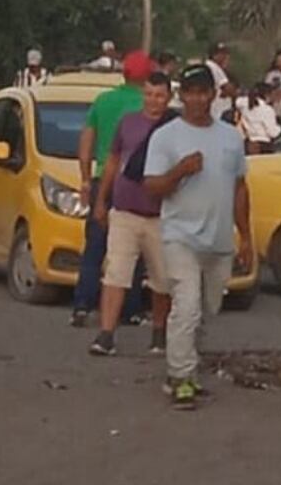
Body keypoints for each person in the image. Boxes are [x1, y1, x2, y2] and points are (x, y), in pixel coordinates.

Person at [143, 63, 252, 410]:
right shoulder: (166, 136)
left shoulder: (230, 137)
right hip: (180, 236)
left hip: (218, 241)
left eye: (203, 92)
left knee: (207, 309)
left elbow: (239, 188)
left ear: (213, 94)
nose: (197, 99)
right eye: (190, 92)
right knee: (186, 308)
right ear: (182, 95)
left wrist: (246, 237)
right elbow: (152, 185)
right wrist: (180, 170)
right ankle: (181, 378)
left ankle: (185, 365)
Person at [89, 72, 175, 357]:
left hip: (161, 216)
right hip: (124, 211)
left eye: (159, 95)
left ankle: (159, 332)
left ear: (169, 98)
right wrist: (101, 199)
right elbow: (113, 161)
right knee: (115, 273)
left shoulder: (174, 127)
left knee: (162, 279)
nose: (153, 101)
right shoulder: (128, 123)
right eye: (149, 94)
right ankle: (106, 334)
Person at [72, 50, 153, 328]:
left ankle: (82, 306)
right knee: (133, 251)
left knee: (95, 247)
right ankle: (130, 310)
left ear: (124, 73)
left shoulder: (103, 101)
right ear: (147, 76)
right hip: (134, 185)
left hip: (100, 182)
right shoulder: (148, 106)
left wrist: (85, 178)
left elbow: (86, 140)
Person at [236, 83, 281, 154]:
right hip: (263, 145)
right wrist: (280, 128)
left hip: (247, 144)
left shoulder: (244, 106)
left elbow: (238, 101)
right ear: (267, 95)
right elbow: (272, 132)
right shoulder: (267, 109)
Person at [204, 42, 234, 121]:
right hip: (218, 112)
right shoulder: (214, 67)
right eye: (222, 54)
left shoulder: (209, 66)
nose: (226, 57)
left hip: (216, 111)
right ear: (214, 55)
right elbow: (229, 89)